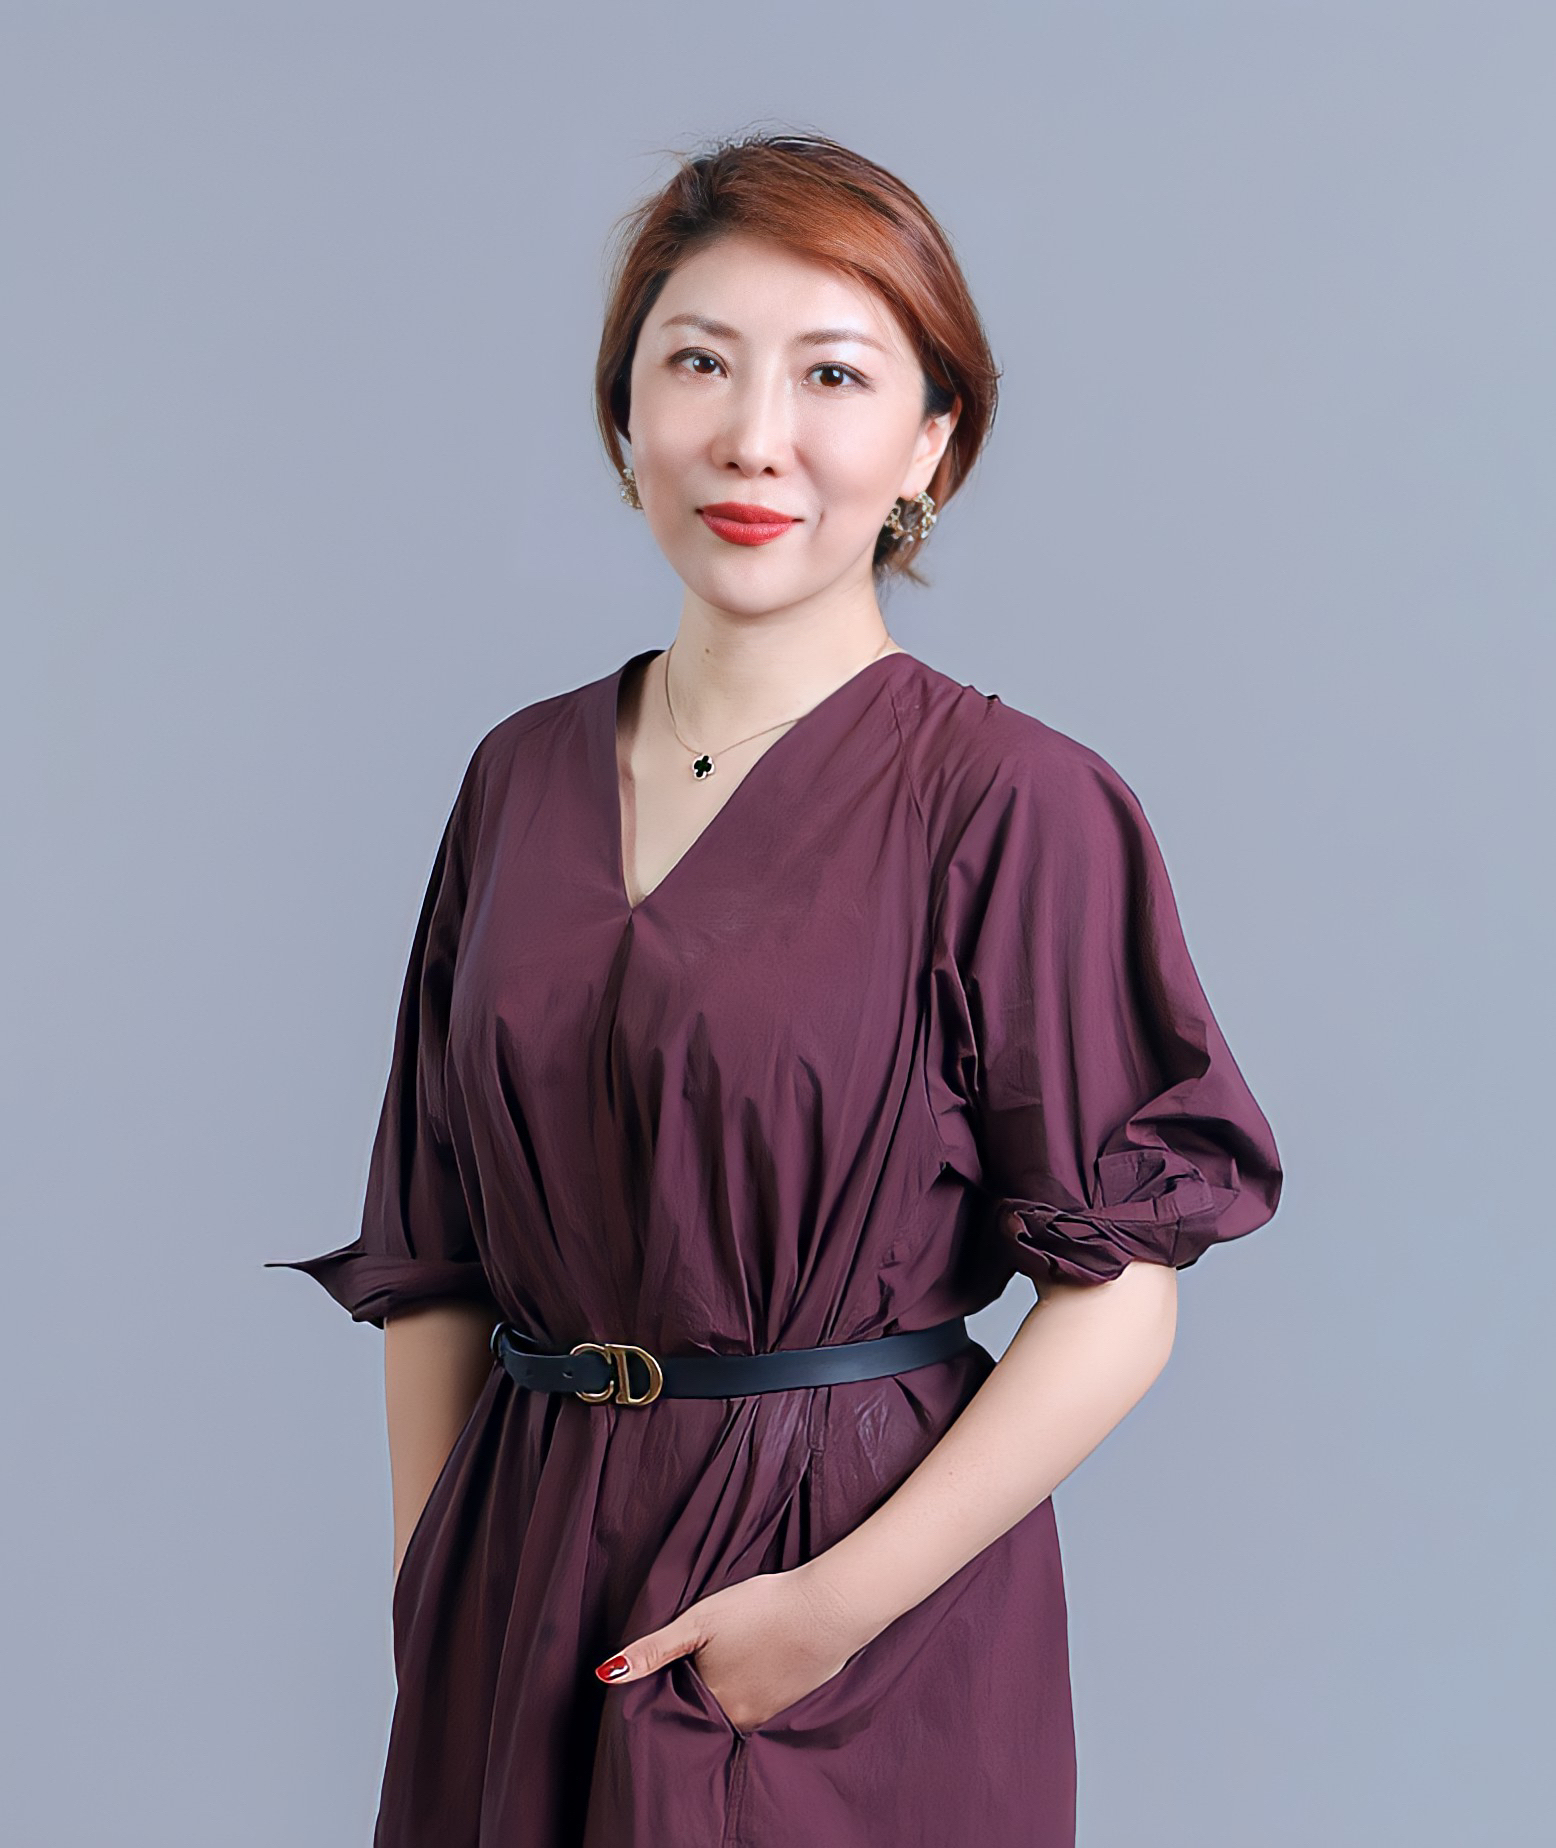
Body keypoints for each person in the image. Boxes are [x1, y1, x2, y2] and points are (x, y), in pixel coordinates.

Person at [268, 129, 1283, 1848]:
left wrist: (827, 1612)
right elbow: (433, 1250)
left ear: (932, 440)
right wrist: (433, 1582)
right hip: (519, 1568)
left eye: (833, 374)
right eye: (698, 363)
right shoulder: (516, 778)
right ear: (625, 414)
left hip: (843, 1603)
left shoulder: (1012, 803)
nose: (754, 436)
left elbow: (1122, 1288)